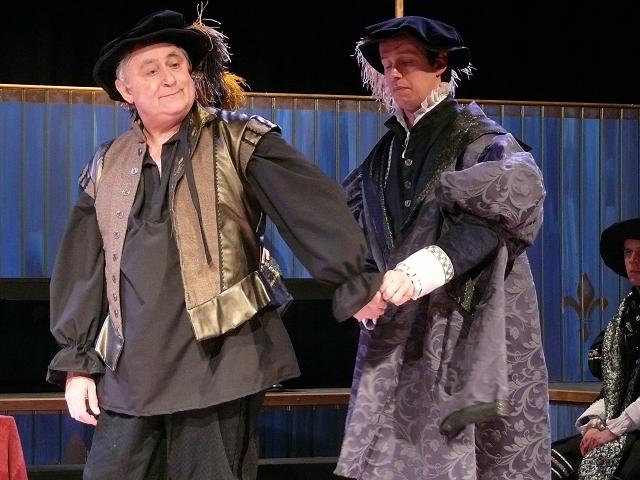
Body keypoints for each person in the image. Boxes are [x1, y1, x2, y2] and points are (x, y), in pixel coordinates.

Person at [45, 8, 380, 480]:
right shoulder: (107, 164)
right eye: (151, 69)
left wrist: (354, 280)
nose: (168, 78)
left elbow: (311, 208)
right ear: (125, 89)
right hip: (130, 372)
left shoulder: (238, 139)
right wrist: (79, 363)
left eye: (176, 64)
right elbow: (82, 266)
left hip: (220, 361)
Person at [334, 16, 550, 480]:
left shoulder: (481, 140)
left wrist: (423, 269)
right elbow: (349, 224)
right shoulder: (384, 155)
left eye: (406, 62)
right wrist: (358, 284)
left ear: (440, 66)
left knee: (469, 454)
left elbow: (507, 206)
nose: (394, 74)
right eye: (387, 65)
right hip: (398, 329)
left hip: (464, 323)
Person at [551, 218, 640, 480]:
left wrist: (613, 430)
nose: (633, 260)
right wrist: (594, 424)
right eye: (628, 252)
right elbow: (614, 387)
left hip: (632, 428)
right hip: (622, 425)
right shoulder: (625, 313)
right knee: (550, 463)